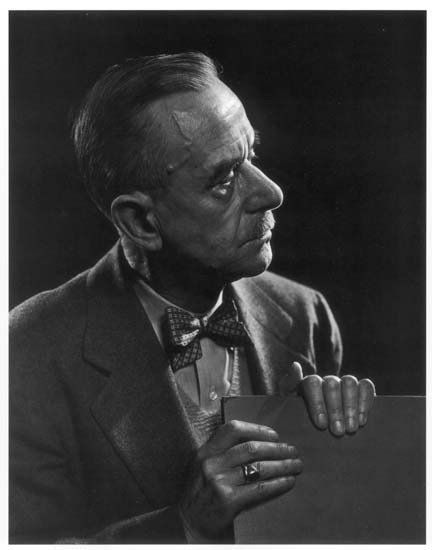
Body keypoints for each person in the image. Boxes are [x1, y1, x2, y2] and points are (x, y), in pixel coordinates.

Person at [9, 52, 375, 543]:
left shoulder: (303, 314)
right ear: (141, 221)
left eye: (252, 156)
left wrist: (340, 446)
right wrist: (184, 525)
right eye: (223, 180)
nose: (272, 193)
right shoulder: (26, 353)